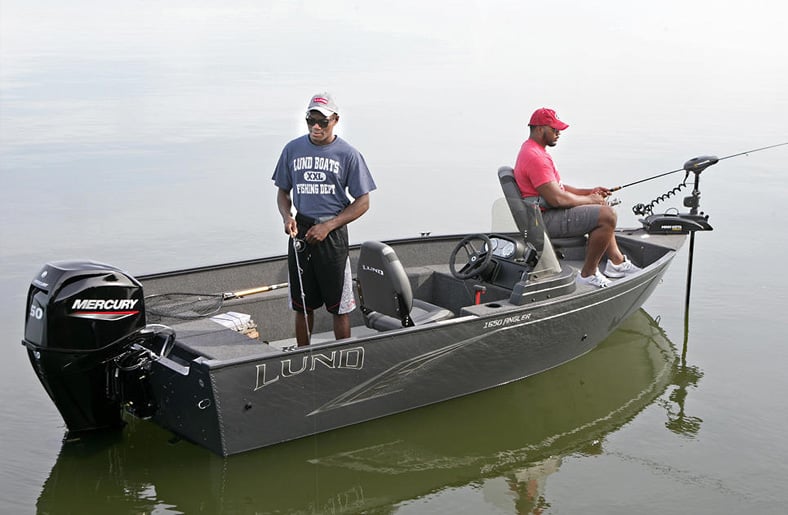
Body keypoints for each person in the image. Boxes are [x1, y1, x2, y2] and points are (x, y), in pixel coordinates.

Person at [272, 92, 376, 345]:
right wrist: (287, 217)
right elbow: (283, 193)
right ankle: (301, 355)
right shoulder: (292, 149)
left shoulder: (348, 154)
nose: (316, 127)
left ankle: (342, 354)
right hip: (302, 230)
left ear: (335, 120)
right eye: (311, 120)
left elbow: (363, 202)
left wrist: (329, 226)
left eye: (323, 122)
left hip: (333, 233)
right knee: (302, 304)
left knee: (338, 306)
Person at [513, 107, 640, 288]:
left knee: (602, 209)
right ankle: (588, 274)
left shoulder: (534, 150)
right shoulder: (536, 157)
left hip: (543, 213)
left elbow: (559, 189)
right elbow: (558, 199)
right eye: (554, 129)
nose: (558, 133)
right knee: (607, 215)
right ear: (540, 129)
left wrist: (589, 192)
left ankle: (616, 263)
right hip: (543, 220)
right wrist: (591, 200)